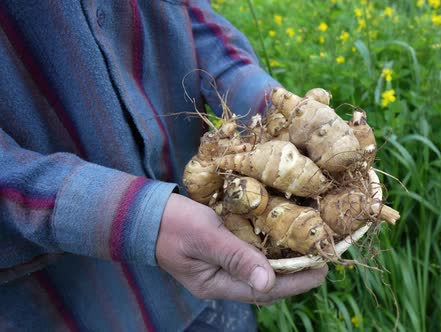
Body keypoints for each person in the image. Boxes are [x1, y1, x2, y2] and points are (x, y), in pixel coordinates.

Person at [0, 1, 327, 330]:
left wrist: (279, 110)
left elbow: (188, 14)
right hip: (72, 305)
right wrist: (143, 220)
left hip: (214, 256)